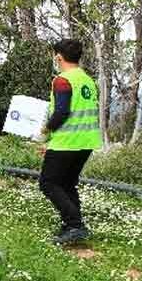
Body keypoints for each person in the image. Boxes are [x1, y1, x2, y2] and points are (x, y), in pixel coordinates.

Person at [39, 39, 103, 245]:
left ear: (59, 56)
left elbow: (61, 113)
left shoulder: (62, 80)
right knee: (67, 184)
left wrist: (45, 131)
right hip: (87, 141)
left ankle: (75, 225)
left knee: (48, 183)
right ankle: (72, 225)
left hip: (66, 141)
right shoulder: (87, 80)